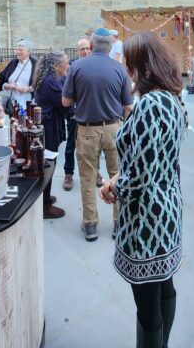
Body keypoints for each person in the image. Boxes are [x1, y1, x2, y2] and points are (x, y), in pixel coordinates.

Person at [99, 32, 186, 348]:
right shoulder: (172, 98)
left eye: (129, 63)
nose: (125, 69)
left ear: (143, 67)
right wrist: (123, 176)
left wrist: (114, 185)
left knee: (149, 303)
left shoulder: (150, 104)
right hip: (166, 206)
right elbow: (155, 157)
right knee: (164, 287)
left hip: (148, 216)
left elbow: (142, 175)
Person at [62, 28, 133, 241]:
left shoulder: (77, 67)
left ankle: (90, 224)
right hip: (114, 128)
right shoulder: (119, 69)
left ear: (91, 46)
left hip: (86, 129)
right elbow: (128, 106)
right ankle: (119, 223)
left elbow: (66, 101)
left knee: (87, 177)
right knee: (117, 175)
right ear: (110, 47)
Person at [33, 50, 71, 219]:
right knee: (49, 163)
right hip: (48, 127)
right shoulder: (50, 82)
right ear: (56, 66)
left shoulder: (50, 79)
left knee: (49, 161)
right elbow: (64, 105)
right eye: (66, 63)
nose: (68, 65)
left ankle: (45, 197)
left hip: (48, 123)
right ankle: (44, 206)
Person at [63, 37, 91, 191]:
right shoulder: (71, 66)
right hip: (74, 113)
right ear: (77, 51)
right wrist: (72, 110)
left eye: (87, 48)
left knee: (91, 146)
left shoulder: (94, 65)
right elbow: (67, 91)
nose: (86, 51)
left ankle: (95, 172)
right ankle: (68, 173)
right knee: (71, 145)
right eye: (82, 49)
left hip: (91, 114)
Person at [0, 39, 37, 110]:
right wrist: (9, 86)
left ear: (29, 51)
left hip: (29, 104)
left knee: (27, 121)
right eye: (17, 50)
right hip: (12, 104)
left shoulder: (36, 64)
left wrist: (28, 89)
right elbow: (1, 80)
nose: (18, 52)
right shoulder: (13, 63)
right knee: (14, 120)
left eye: (21, 50)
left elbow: (41, 83)